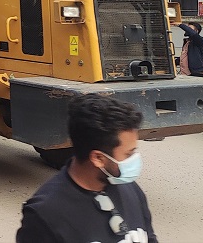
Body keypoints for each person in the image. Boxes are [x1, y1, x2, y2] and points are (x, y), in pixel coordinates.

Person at [16, 94, 157, 242]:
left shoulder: (130, 189)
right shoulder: (45, 215)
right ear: (98, 158)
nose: (134, 159)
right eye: (128, 154)